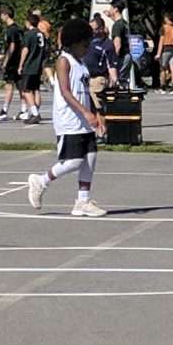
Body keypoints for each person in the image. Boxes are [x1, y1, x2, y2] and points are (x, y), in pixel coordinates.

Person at [26, 19, 107, 217]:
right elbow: (65, 91)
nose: (87, 48)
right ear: (73, 42)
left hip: (84, 120)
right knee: (74, 162)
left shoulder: (82, 63)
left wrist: (97, 114)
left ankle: (83, 201)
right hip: (69, 120)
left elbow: (86, 92)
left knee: (90, 158)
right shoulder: (64, 61)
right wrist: (85, 112)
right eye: (84, 44)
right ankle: (41, 181)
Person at [0, 6, 25, 121]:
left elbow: (12, 46)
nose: (0, 17)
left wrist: (6, 60)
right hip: (18, 61)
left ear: (6, 15)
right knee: (20, 86)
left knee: (9, 85)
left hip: (13, 62)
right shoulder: (18, 29)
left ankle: (4, 110)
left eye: (1, 15)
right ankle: (23, 110)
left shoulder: (11, 30)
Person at [17, 13, 47, 125]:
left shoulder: (29, 34)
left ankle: (35, 113)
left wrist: (20, 64)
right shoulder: (41, 34)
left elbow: (25, 50)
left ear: (28, 22)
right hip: (38, 65)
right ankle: (35, 111)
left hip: (30, 65)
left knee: (26, 90)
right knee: (36, 89)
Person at [85, 17, 118, 111]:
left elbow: (111, 64)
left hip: (97, 79)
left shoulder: (107, 44)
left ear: (101, 28)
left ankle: (100, 124)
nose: (92, 31)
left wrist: (115, 80)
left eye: (94, 29)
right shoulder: (87, 41)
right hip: (85, 79)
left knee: (97, 108)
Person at [157, 13, 173, 93]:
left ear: (167, 19)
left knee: (163, 68)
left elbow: (161, 41)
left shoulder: (164, 28)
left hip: (166, 49)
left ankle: (162, 87)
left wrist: (158, 53)